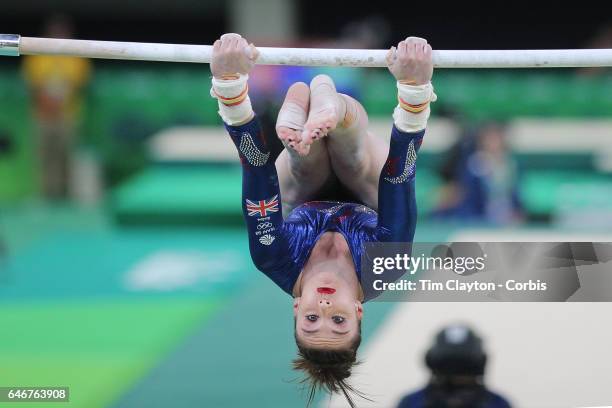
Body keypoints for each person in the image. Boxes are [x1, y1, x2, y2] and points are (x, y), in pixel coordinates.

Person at [210, 33, 436, 406]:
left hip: (303, 187)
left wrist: (229, 86)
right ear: (359, 312)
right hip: (367, 188)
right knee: (351, 154)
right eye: (339, 323)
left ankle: (305, 117)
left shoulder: (275, 258)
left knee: (302, 162)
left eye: (312, 321)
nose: (325, 310)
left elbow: (255, 168)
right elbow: (399, 177)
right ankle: (329, 108)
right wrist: (415, 89)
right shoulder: (383, 267)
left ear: (296, 310)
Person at [22, 15, 92, 200]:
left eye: (62, 32)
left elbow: (79, 85)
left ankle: (68, 196)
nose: (58, 35)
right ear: (48, 34)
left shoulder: (76, 56)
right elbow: (33, 86)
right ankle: (47, 196)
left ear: (68, 34)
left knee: (68, 158)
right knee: (45, 157)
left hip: (69, 115)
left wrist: (61, 102)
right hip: (43, 115)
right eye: (55, 32)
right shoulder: (37, 55)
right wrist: (48, 103)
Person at [397, 324, 512, 408]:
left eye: (465, 367)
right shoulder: (411, 403)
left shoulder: (497, 404)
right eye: (447, 367)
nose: (457, 376)